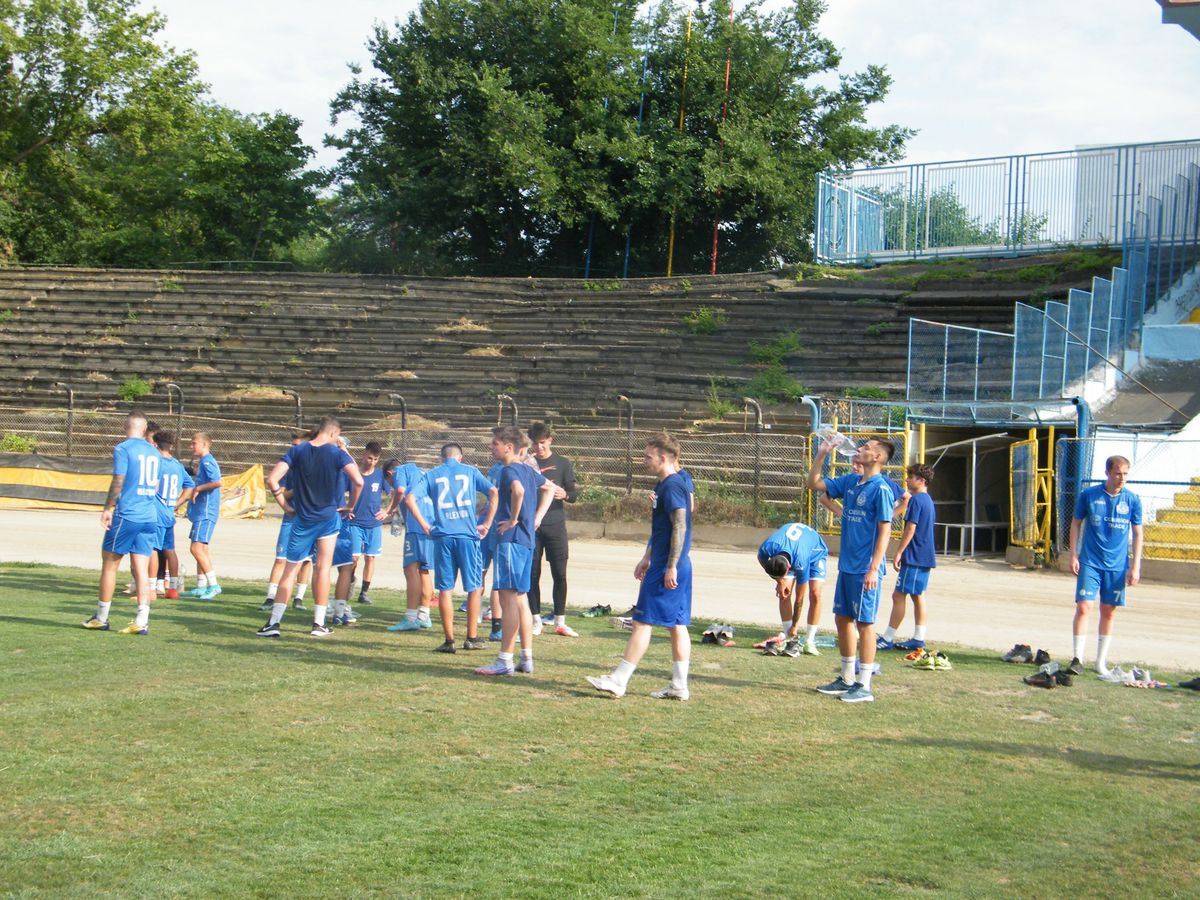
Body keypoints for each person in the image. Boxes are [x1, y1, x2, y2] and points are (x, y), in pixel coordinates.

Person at [587, 433, 694, 701]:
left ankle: (619, 680)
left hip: (669, 566)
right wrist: (647, 555)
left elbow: (680, 526)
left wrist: (670, 566)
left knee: (642, 622)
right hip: (670, 563)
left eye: (648, 456)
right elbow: (663, 528)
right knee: (676, 625)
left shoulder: (672, 486)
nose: (644, 460)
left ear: (664, 457)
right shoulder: (664, 486)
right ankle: (679, 686)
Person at [806, 434, 897, 703]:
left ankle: (864, 685)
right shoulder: (852, 482)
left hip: (865, 569)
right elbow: (814, 484)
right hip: (847, 566)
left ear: (877, 457)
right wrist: (822, 453)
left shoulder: (880, 488)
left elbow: (885, 531)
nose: (860, 450)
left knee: (865, 623)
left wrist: (873, 568)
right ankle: (846, 678)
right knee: (842, 619)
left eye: (866, 448)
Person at [256, 416, 363, 638]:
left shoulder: (298, 451)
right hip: (328, 518)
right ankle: (318, 623)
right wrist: (350, 505)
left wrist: (285, 506)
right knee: (323, 568)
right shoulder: (337, 453)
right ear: (334, 433)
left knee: (290, 569)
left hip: (302, 519)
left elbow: (272, 479)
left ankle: (274, 623)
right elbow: (358, 481)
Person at [475, 425, 556, 676]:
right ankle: (527, 657)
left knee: (508, 599)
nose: (491, 447)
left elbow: (518, 492)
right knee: (521, 599)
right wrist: (536, 518)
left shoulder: (509, 470)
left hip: (510, 539)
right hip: (526, 541)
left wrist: (513, 519)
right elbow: (550, 488)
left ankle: (504, 661)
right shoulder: (529, 470)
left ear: (508, 447)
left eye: (495, 443)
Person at [405, 443, 498, 653]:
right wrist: (488, 523)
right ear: (461, 458)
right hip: (467, 536)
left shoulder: (433, 474)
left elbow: (410, 498)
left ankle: (449, 641)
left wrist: (425, 526)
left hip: (443, 537)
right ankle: (471, 637)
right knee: (474, 587)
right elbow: (493, 492)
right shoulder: (470, 472)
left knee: (445, 589)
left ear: (441, 458)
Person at [83, 410, 161, 635]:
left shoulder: (123, 449)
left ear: (126, 427)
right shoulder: (154, 452)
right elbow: (155, 486)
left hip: (128, 514)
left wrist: (108, 508)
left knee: (110, 563)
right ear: (145, 429)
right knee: (141, 569)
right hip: (149, 515)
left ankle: (101, 617)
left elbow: (119, 479)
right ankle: (142, 620)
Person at [1069, 455, 1143, 676]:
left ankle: (1100, 662)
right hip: (1090, 561)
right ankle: (1077, 658)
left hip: (1117, 566)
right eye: (1118, 473)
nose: (1122, 478)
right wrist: (1074, 555)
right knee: (1084, 607)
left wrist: (1135, 566)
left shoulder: (1132, 500)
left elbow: (1138, 533)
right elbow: (1075, 524)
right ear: (1108, 473)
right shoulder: (1089, 495)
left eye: (1126, 474)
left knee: (1108, 611)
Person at [526, 422, 579, 636]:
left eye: (542, 443)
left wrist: (565, 495)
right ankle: (535, 620)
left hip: (555, 525)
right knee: (532, 575)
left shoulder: (562, 463)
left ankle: (560, 620)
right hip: (533, 526)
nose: (539, 447)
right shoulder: (527, 463)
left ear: (550, 440)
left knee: (560, 574)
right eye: (535, 443)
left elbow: (574, 494)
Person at [878, 464, 937, 652]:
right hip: (924, 555)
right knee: (918, 596)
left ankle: (888, 637)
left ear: (922, 480)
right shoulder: (927, 500)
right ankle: (918, 637)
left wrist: (899, 552)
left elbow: (910, 528)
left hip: (915, 556)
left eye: (911, 477)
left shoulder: (917, 500)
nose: (907, 480)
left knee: (899, 595)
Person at [260, 431, 315, 613]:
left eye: (297, 445)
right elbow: (281, 492)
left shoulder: (314, 467)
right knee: (281, 558)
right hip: (291, 519)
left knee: (306, 561)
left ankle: (299, 597)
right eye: (293, 445)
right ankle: (270, 596)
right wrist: (294, 492)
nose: (294, 449)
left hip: (308, 520)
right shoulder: (288, 468)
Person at [756, 521, 828, 656]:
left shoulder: (800, 562)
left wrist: (795, 625)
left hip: (815, 551)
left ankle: (809, 641)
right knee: (783, 594)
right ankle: (791, 641)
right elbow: (760, 557)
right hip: (792, 549)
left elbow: (799, 599)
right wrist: (780, 581)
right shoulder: (768, 548)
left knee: (815, 593)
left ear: (789, 568)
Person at [333, 440, 386, 620]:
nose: (371, 461)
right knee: (353, 558)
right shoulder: (354, 474)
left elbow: (393, 492)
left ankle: (364, 592)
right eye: (369, 457)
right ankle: (350, 582)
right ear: (364, 455)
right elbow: (343, 492)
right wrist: (349, 507)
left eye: (375, 459)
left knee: (370, 558)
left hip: (374, 524)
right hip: (355, 522)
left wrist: (388, 510)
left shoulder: (379, 475)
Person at [385, 458, 437, 633]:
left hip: (417, 524)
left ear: (389, 474)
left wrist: (390, 508)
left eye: (389, 483)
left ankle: (410, 618)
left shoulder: (401, 471)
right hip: (431, 523)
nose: (392, 486)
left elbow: (400, 490)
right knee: (424, 570)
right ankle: (424, 615)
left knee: (410, 569)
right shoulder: (422, 471)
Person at [149, 430, 194, 600]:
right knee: (170, 550)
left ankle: (152, 589)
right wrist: (178, 502)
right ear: (171, 446)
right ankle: (173, 589)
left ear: (155, 444)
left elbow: (154, 485)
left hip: (157, 513)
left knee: (153, 549)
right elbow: (189, 486)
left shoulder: (157, 463)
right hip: (169, 512)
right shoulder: (177, 465)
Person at [185, 432, 222, 599]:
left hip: (206, 512)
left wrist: (198, 489)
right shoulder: (203, 462)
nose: (191, 446)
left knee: (196, 548)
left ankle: (214, 585)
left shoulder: (207, 461)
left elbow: (218, 481)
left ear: (205, 445)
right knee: (201, 549)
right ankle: (201, 585)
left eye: (194, 443)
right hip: (200, 512)